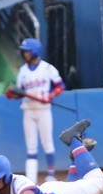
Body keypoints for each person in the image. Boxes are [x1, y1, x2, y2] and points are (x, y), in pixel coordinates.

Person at [5, 38, 65, 183]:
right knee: (31, 145)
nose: (24, 53)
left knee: (47, 142)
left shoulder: (47, 68)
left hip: (44, 108)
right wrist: (13, 94)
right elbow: (20, 92)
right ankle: (31, 180)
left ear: (35, 51)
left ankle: (51, 175)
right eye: (23, 51)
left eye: (27, 51)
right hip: (28, 109)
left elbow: (60, 85)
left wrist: (50, 95)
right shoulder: (22, 71)